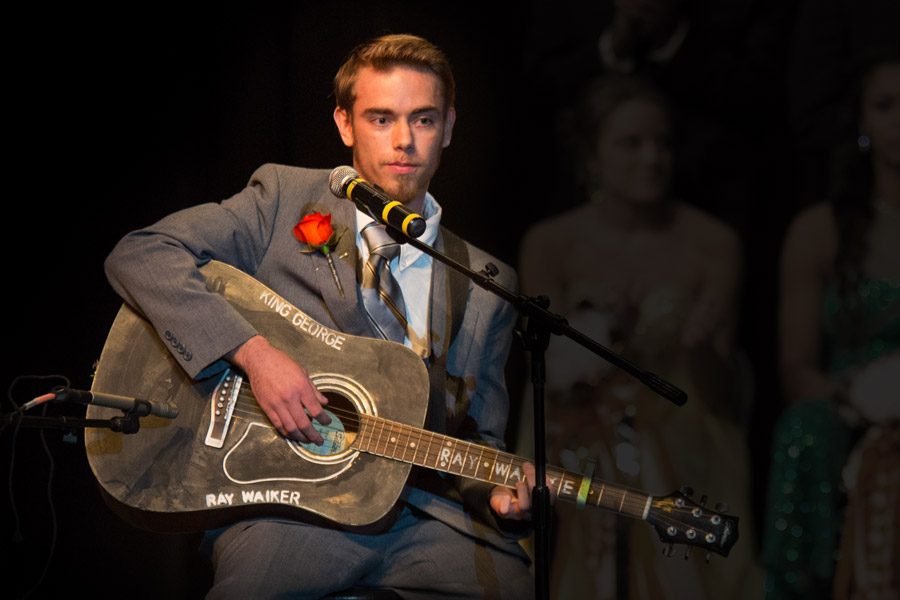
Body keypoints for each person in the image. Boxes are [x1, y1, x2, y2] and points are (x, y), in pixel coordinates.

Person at [104, 33, 535, 599]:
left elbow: (478, 439)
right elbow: (142, 254)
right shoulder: (284, 197)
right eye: (381, 119)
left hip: (424, 520)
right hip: (291, 509)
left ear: (449, 127)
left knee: (511, 585)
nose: (404, 141)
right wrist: (255, 355)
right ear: (345, 124)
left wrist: (500, 491)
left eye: (423, 120)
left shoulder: (489, 284)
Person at [516, 74, 764, 599]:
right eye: (632, 144)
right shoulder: (552, 243)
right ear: (592, 156)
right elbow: (551, 368)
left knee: (661, 453)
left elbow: (721, 388)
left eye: (662, 144)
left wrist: (700, 342)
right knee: (591, 455)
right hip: (581, 418)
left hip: (683, 416)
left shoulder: (711, 243)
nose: (652, 159)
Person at [762, 54, 900, 600]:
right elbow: (796, 366)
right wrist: (859, 404)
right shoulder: (819, 229)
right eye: (887, 106)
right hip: (849, 405)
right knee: (802, 430)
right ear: (863, 122)